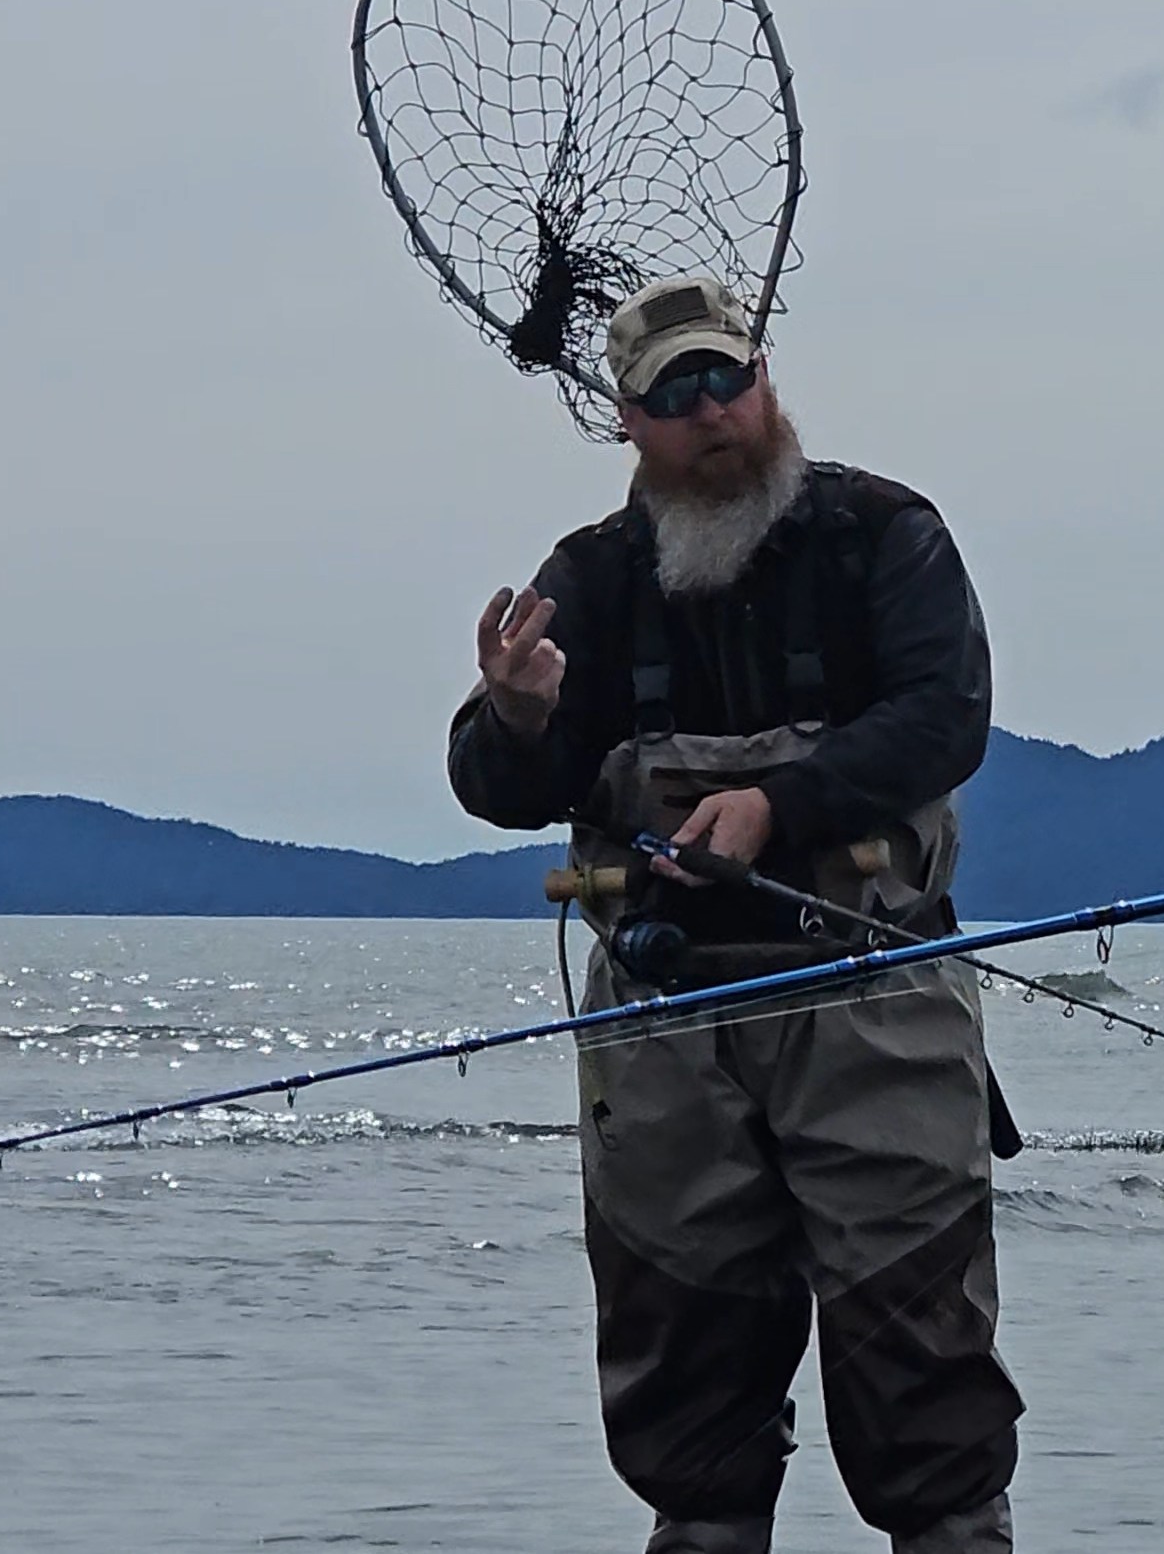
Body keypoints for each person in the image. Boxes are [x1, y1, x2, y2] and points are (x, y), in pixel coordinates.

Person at [447, 275, 1022, 1554]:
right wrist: (520, 715)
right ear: (627, 422)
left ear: (767, 381)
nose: (717, 412)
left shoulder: (888, 535)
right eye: (677, 393)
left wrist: (779, 805)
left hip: (872, 1002)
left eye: (733, 378)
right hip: (666, 1033)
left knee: (928, 1397)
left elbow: (948, 719)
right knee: (690, 1424)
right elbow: (495, 787)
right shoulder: (586, 582)